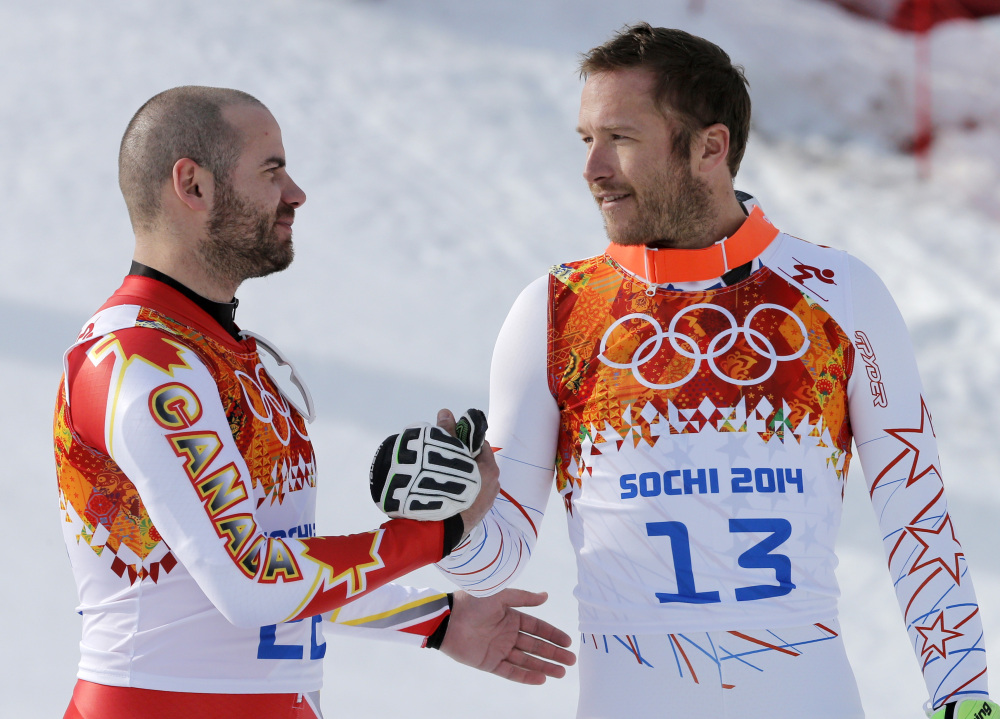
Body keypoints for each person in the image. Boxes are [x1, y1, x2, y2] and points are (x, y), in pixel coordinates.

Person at [422, 23, 995, 719]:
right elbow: (494, 562)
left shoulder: (838, 295)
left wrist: (964, 695)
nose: (592, 167)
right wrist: (454, 512)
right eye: (586, 139)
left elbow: (917, 515)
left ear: (710, 148)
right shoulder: (555, 309)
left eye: (621, 139)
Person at [53, 86, 574, 719]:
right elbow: (252, 584)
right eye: (271, 170)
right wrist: (435, 534)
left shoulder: (228, 356)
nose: (295, 193)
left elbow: (283, 564)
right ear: (192, 185)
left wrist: (436, 620)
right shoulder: (140, 365)